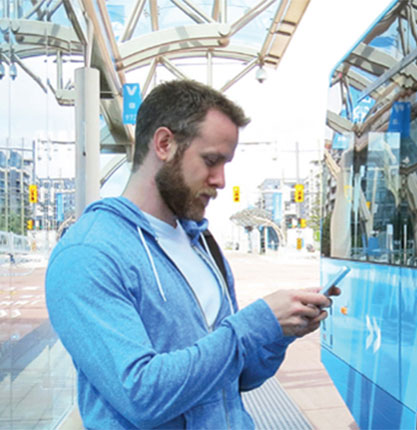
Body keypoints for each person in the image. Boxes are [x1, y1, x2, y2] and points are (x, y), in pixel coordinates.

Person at [46, 79, 338, 430]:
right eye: (211, 160)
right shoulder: (89, 254)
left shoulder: (203, 246)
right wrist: (254, 325)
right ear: (165, 143)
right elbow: (141, 395)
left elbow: (236, 378)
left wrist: (278, 332)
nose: (221, 180)